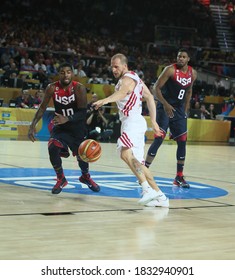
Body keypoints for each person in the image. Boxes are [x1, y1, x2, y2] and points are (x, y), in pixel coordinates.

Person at [93, 53, 169, 207]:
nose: (113, 69)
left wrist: (104, 100)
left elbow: (122, 93)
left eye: (116, 66)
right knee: (139, 164)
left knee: (125, 153)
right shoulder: (137, 79)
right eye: (112, 67)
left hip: (132, 122)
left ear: (124, 66)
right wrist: (153, 121)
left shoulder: (127, 79)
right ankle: (161, 196)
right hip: (135, 122)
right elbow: (149, 97)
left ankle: (146, 189)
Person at [28, 62, 100, 194]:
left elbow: (82, 112)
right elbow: (42, 107)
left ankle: (85, 176)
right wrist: (32, 125)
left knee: (82, 156)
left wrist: (67, 118)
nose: (65, 74)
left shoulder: (79, 88)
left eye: (68, 72)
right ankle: (61, 178)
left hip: (77, 127)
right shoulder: (52, 88)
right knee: (52, 146)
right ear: (59, 74)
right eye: (62, 72)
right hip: (60, 127)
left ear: (72, 74)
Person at [145, 48, 197, 188]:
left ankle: (179, 177)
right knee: (159, 138)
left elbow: (189, 91)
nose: (180, 58)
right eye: (179, 56)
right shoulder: (170, 70)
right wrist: (165, 104)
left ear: (188, 59)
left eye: (183, 57)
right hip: (165, 107)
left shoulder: (193, 73)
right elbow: (156, 88)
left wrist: (186, 110)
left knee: (182, 141)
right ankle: (144, 171)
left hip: (179, 110)